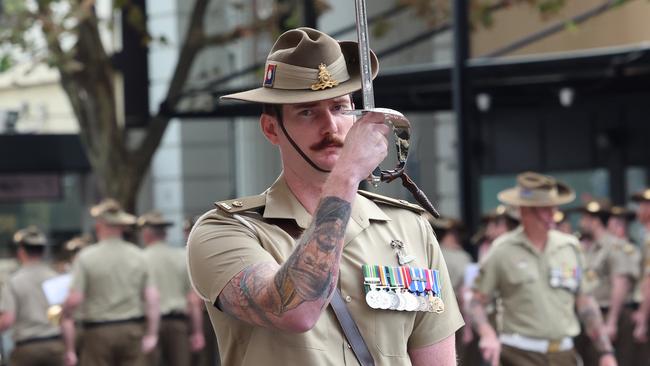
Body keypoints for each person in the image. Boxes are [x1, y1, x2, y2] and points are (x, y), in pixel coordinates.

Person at [187, 27, 463, 366]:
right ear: (272, 129)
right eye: (307, 111)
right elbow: (294, 311)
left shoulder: (409, 228)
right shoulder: (226, 230)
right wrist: (346, 175)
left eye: (340, 108)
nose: (330, 127)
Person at [469, 171, 617, 366]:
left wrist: (606, 352)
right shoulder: (502, 250)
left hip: (564, 355)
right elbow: (476, 302)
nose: (552, 216)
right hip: (518, 354)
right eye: (544, 209)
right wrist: (487, 334)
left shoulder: (570, 247)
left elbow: (586, 303)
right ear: (524, 211)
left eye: (553, 208)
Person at [61, 199, 160, 366]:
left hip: (98, 333)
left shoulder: (86, 257)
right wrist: (152, 334)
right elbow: (153, 298)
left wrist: (65, 314)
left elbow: (75, 299)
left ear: (99, 225)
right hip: (132, 330)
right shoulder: (139, 256)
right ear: (121, 226)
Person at [574, 199, 639, 366]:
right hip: (593, 315)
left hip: (612, 314)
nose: (581, 223)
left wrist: (611, 321)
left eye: (585, 219)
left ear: (595, 221)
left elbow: (620, 284)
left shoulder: (616, 246)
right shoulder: (591, 248)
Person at [138, 211, 205, 366]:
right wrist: (197, 332)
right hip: (178, 324)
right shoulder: (182, 257)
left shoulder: (139, 258)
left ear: (146, 234)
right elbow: (193, 299)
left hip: (147, 324)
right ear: (165, 234)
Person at [0, 226, 65, 366]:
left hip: (26, 349)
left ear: (21, 252)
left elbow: (7, 320)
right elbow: (66, 318)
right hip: (55, 346)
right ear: (43, 251)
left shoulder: (13, 282)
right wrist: (70, 349)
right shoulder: (56, 278)